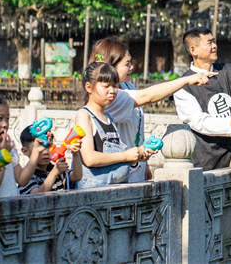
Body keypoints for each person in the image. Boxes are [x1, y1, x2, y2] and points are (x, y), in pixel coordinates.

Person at [89, 36, 216, 181]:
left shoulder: (127, 86)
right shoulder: (111, 98)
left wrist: (145, 165)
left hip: (135, 168)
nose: (132, 67)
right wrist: (187, 79)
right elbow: (147, 96)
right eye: (127, 64)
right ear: (111, 67)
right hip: (118, 174)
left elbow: (137, 127)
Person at [173, 27, 231, 170]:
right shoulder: (183, 85)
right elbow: (198, 121)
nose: (214, 46)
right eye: (209, 43)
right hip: (209, 161)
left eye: (214, 42)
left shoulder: (228, 70)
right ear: (193, 50)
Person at [75, 61, 149, 189]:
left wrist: (136, 157)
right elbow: (90, 158)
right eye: (106, 86)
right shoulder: (84, 116)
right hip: (92, 191)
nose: (112, 91)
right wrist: (125, 156)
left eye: (115, 86)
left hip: (113, 189)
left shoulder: (108, 117)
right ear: (89, 87)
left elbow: (114, 158)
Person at [18, 123, 83, 194]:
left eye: (48, 146)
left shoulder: (54, 169)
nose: (46, 152)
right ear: (25, 151)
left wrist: (75, 153)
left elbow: (77, 176)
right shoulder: (26, 177)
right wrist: (54, 173)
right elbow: (36, 196)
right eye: (40, 147)